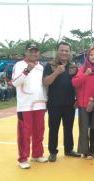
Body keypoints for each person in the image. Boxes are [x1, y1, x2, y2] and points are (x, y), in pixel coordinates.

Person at [11, 41, 48, 169]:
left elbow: (43, 86)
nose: (33, 53)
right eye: (31, 51)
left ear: (39, 53)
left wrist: (45, 100)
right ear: (26, 52)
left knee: (39, 131)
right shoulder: (19, 65)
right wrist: (27, 70)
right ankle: (23, 158)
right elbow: (15, 82)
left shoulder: (41, 67)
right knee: (24, 134)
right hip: (25, 106)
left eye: (36, 51)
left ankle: (37, 154)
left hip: (40, 104)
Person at [43, 41, 80, 162]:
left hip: (69, 104)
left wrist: (78, 98)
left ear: (70, 52)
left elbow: (77, 85)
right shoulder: (50, 66)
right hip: (54, 104)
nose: (64, 53)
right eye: (62, 50)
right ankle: (53, 152)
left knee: (68, 128)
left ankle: (69, 150)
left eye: (66, 51)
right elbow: (45, 82)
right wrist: (57, 72)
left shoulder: (74, 67)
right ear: (57, 51)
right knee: (53, 128)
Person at [72, 47, 94, 159]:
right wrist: (85, 74)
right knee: (84, 129)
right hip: (84, 104)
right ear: (88, 56)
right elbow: (75, 83)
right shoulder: (83, 69)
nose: (93, 56)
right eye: (91, 54)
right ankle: (84, 151)